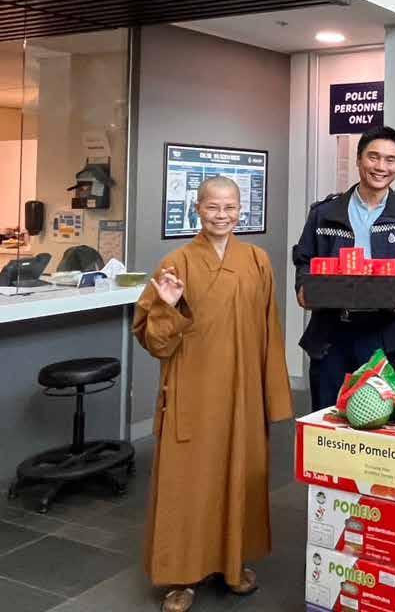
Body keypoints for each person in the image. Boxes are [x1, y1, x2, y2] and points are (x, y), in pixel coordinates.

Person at [133, 176, 294, 612]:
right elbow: (153, 340)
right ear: (197, 209)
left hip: (243, 391)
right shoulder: (176, 262)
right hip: (194, 389)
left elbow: (270, 330)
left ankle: (232, 564)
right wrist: (166, 306)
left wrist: (273, 394)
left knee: (239, 475)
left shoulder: (257, 260)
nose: (222, 215)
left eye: (230, 207)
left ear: (241, 210)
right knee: (188, 482)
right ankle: (182, 576)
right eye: (212, 207)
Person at [293, 125, 395, 410]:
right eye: (373, 157)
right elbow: (304, 260)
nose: (381, 167)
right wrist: (303, 287)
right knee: (326, 417)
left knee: (378, 417)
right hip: (332, 332)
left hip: (384, 333)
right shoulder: (324, 212)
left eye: (390, 160)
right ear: (358, 160)